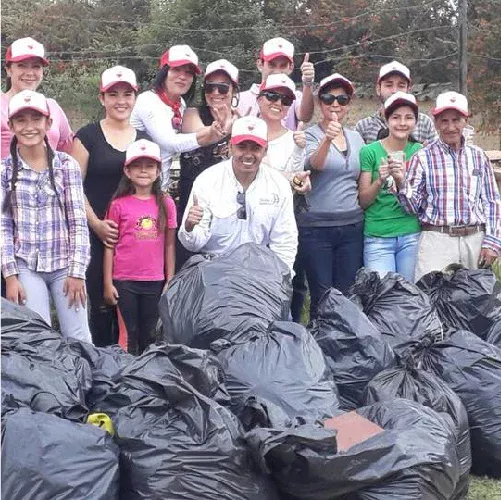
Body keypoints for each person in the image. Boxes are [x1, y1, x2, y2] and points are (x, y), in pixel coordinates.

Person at [1, 90, 91, 342]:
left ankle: (85, 381)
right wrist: (10, 275)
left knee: (78, 336)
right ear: (11, 126)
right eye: (21, 120)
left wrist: (77, 272)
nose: (29, 127)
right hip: (27, 265)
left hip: (64, 264)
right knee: (38, 336)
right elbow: (4, 225)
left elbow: (77, 221)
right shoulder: (5, 171)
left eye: (36, 119)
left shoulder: (66, 166)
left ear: (48, 123)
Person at [72, 66, 149, 347]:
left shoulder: (144, 140)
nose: (121, 100)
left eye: (127, 94)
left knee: (130, 306)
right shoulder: (87, 136)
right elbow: (73, 186)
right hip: (95, 233)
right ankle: (100, 363)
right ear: (102, 98)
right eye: (113, 94)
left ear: (134, 97)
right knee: (100, 304)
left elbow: (153, 191)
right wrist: (96, 224)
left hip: (134, 240)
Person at [395, 91, 501, 280]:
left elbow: (492, 201)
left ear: (465, 121)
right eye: (444, 121)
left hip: (475, 239)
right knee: (431, 301)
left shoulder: (478, 156)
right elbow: (411, 207)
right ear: (436, 123)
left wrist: (492, 242)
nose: (451, 127)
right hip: (437, 239)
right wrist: (400, 182)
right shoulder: (423, 157)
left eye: (456, 120)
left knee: (476, 302)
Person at [178, 116, 298, 272]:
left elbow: (285, 241)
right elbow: (193, 245)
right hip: (214, 271)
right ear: (230, 147)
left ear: (265, 150)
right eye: (242, 147)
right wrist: (189, 227)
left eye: (255, 148)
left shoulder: (279, 184)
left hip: (260, 271)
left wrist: (281, 278)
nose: (248, 154)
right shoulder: (207, 180)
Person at [300, 73, 365, 319]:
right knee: (321, 295)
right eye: (328, 98)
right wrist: (327, 139)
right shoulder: (309, 135)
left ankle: (343, 348)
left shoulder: (357, 138)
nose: (335, 104)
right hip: (317, 227)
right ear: (320, 103)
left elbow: (360, 178)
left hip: (351, 225)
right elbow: (313, 166)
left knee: (347, 294)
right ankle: (319, 348)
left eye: (342, 99)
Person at [103, 139, 176, 355]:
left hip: (154, 281)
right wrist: (108, 283)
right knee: (128, 335)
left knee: (151, 335)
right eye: (137, 165)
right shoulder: (118, 205)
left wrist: (169, 279)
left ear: (158, 170)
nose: (143, 171)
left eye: (149, 165)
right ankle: (127, 382)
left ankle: (148, 380)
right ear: (127, 170)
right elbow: (110, 245)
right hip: (124, 280)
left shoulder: (166, 203)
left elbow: (170, 243)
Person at [130, 45, 230, 191]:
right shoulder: (148, 101)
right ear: (164, 72)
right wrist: (211, 134)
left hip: (159, 188)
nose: (182, 77)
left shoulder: (180, 104)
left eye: (188, 73)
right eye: (176, 69)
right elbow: (171, 143)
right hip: (136, 189)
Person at [256, 73, 311, 321]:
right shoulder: (245, 131)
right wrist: (287, 176)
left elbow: (298, 177)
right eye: (272, 96)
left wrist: (298, 177)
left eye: (286, 99)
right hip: (251, 222)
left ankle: (291, 337)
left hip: (284, 221)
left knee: (291, 283)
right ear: (259, 99)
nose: (278, 103)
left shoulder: (295, 139)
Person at [358, 92, 422, 281]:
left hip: (411, 233)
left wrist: (401, 180)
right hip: (378, 235)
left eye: (408, 117)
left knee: (409, 296)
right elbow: (363, 201)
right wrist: (380, 180)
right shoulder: (369, 152)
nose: (402, 123)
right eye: (396, 117)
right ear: (386, 120)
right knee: (382, 297)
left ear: (415, 122)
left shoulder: (419, 152)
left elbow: (420, 201)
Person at [1, 37, 73, 159]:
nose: (30, 73)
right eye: (21, 66)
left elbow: (68, 150)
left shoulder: (52, 107)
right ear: (8, 70)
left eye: (36, 66)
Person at [237, 37, 315, 131]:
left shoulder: (295, 96)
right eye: (272, 64)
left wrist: (307, 83)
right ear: (260, 64)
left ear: (291, 67)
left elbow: (305, 116)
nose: (277, 71)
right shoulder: (241, 99)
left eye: (283, 65)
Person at [355, 60, 437, 145]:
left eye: (401, 86)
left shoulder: (424, 122)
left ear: (408, 90)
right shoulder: (364, 126)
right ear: (378, 89)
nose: (395, 91)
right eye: (389, 85)